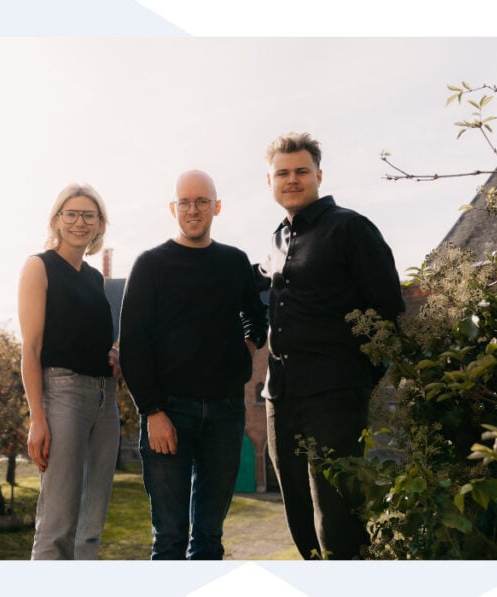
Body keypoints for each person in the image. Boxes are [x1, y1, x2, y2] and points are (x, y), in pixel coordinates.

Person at [255, 132, 405, 560]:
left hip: (334, 395)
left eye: (301, 171)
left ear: (319, 174)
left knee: (336, 519)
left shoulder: (350, 228)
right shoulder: (278, 238)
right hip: (279, 396)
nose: (292, 179)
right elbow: (262, 284)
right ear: (270, 182)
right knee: (299, 516)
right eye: (282, 173)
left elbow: (389, 311)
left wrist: (357, 379)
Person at [118, 170, 267, 560]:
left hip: (226, 412)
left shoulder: (234, 262)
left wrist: (246, 350)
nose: (193, 209)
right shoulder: (150, 264)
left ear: (217, 207)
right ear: (173, 208)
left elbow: (256, 316)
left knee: (209, 539)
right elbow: (133, 346)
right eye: (185, 202)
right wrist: (152, 411)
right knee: (168, 538)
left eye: (202, 201)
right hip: (169, 412)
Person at [18, 183, 121, 560]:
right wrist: (37, 417)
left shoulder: (96, 280)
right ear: (57, 220)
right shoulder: (39, 266)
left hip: (104, 401)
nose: (80, 222)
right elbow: (30, 348)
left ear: (99, 225)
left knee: (91, 527)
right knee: (58, 524)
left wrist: (112, 353)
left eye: (88, 216)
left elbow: (92, 338)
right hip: (62, 395)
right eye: (72, 214)